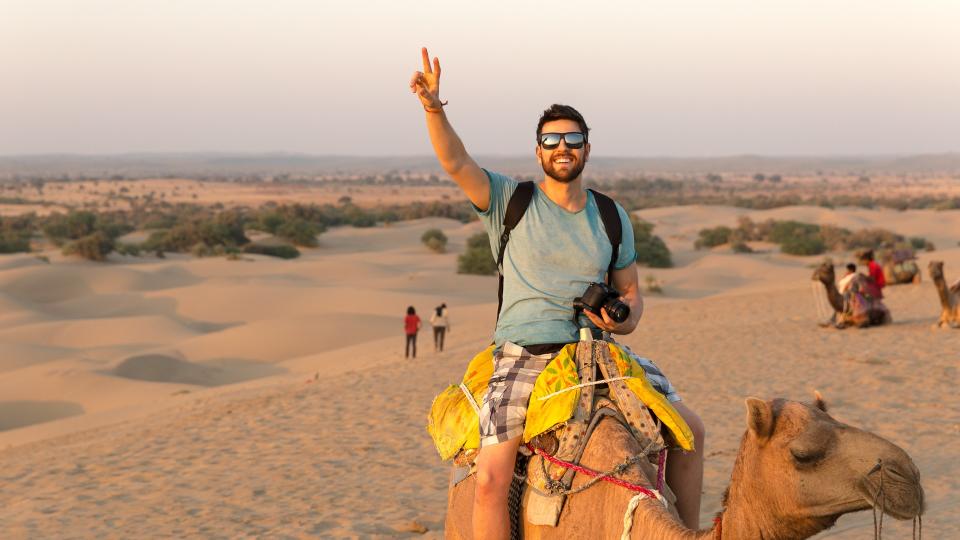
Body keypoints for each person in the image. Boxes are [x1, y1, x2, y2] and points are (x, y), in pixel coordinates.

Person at [410, 48, 705, 538]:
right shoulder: (509, 199)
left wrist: (623, 318)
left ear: (587, 149)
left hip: (598, 353)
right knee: (489, 478)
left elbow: (630, 293)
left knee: (690, 432)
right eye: (552, 139)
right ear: (539, 150)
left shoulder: (611, 215)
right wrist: (433, 108)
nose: (562, 146)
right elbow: (455, 161)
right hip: (523, 355)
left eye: (573, 138)